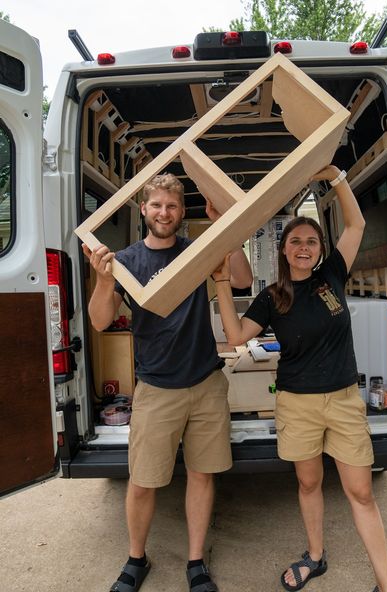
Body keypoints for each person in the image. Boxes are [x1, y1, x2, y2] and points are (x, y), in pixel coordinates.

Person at [212, 165, 387, 592]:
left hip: (345, 401)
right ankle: (315, 556)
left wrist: (337, 178)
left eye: (311, 241)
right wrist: (222, 282)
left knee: (362, 493)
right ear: (283, 249)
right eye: (295, 240)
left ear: (319, 249)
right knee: (309, 482)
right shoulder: (272, 296)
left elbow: (357, 223)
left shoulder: (332, 272)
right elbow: (237, 335)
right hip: (297, 403)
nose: (304, 247)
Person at [82, 172, 252, 592]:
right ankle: (135, 558)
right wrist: (104, 280)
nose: (164, 212)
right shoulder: (126, 261)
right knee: (142, 481)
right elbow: (100, 321)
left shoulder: (198, 253)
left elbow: (244, 279)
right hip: (156, 389)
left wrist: (227, 226)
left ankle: (196, 562)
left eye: (172, 206)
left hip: (206, 384)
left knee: (201, 474)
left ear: (181, 212)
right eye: (156, 204)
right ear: (143, 209)